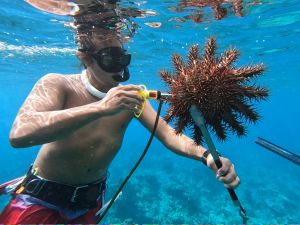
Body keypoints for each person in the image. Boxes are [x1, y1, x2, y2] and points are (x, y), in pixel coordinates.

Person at [0, 7, 240, 222]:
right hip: (40, 198)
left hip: (88, 203)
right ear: (84, 58)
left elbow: (170, 135)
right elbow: (20, 133)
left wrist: (207, 155)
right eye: (109, 59)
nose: (120, 68)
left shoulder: (131, 97)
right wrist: (101, 107)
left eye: (123, 58)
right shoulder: (58, 84)